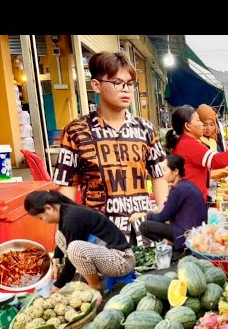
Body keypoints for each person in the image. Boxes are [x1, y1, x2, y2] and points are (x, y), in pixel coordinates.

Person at [52, 51, 168, 246]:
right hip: (98, 236)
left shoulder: (145, 129)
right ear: (96, 85)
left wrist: (164, 218)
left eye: (130, 84)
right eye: (117, 83)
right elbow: (67, 191)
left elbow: (159, 176)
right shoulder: (76, 132)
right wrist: (62, 245)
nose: (126, 90)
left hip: (144, 234)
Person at [24, 190, 134, 293]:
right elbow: (64, 242)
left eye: (41, 218)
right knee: (60, 236)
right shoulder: (67, 212)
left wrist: (59, 284)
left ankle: (95, 286)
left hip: (122, 261)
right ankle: (91, 276)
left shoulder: (72, 219)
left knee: (75, 248)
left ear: (48, 208)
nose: (43, 221)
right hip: (108, 255)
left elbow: (72, 256)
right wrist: (56, 262)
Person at [165, 105, 228, 206]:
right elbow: (219, 161)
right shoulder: (188, 144)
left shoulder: (187, 143)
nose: (202, 124)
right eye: (198, 120)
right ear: (187, 126)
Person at [130, 154, 206, 254]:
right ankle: (175, 245)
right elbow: (165, 207)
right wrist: (148, 212)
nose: (163, 174)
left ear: (175, 172)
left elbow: (162, 217)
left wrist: (143, 215)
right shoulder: (185, 185)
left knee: (145, 226)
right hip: (194, 231)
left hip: (187, 234)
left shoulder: (179, 189)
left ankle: (176, 246)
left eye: (165, 170)